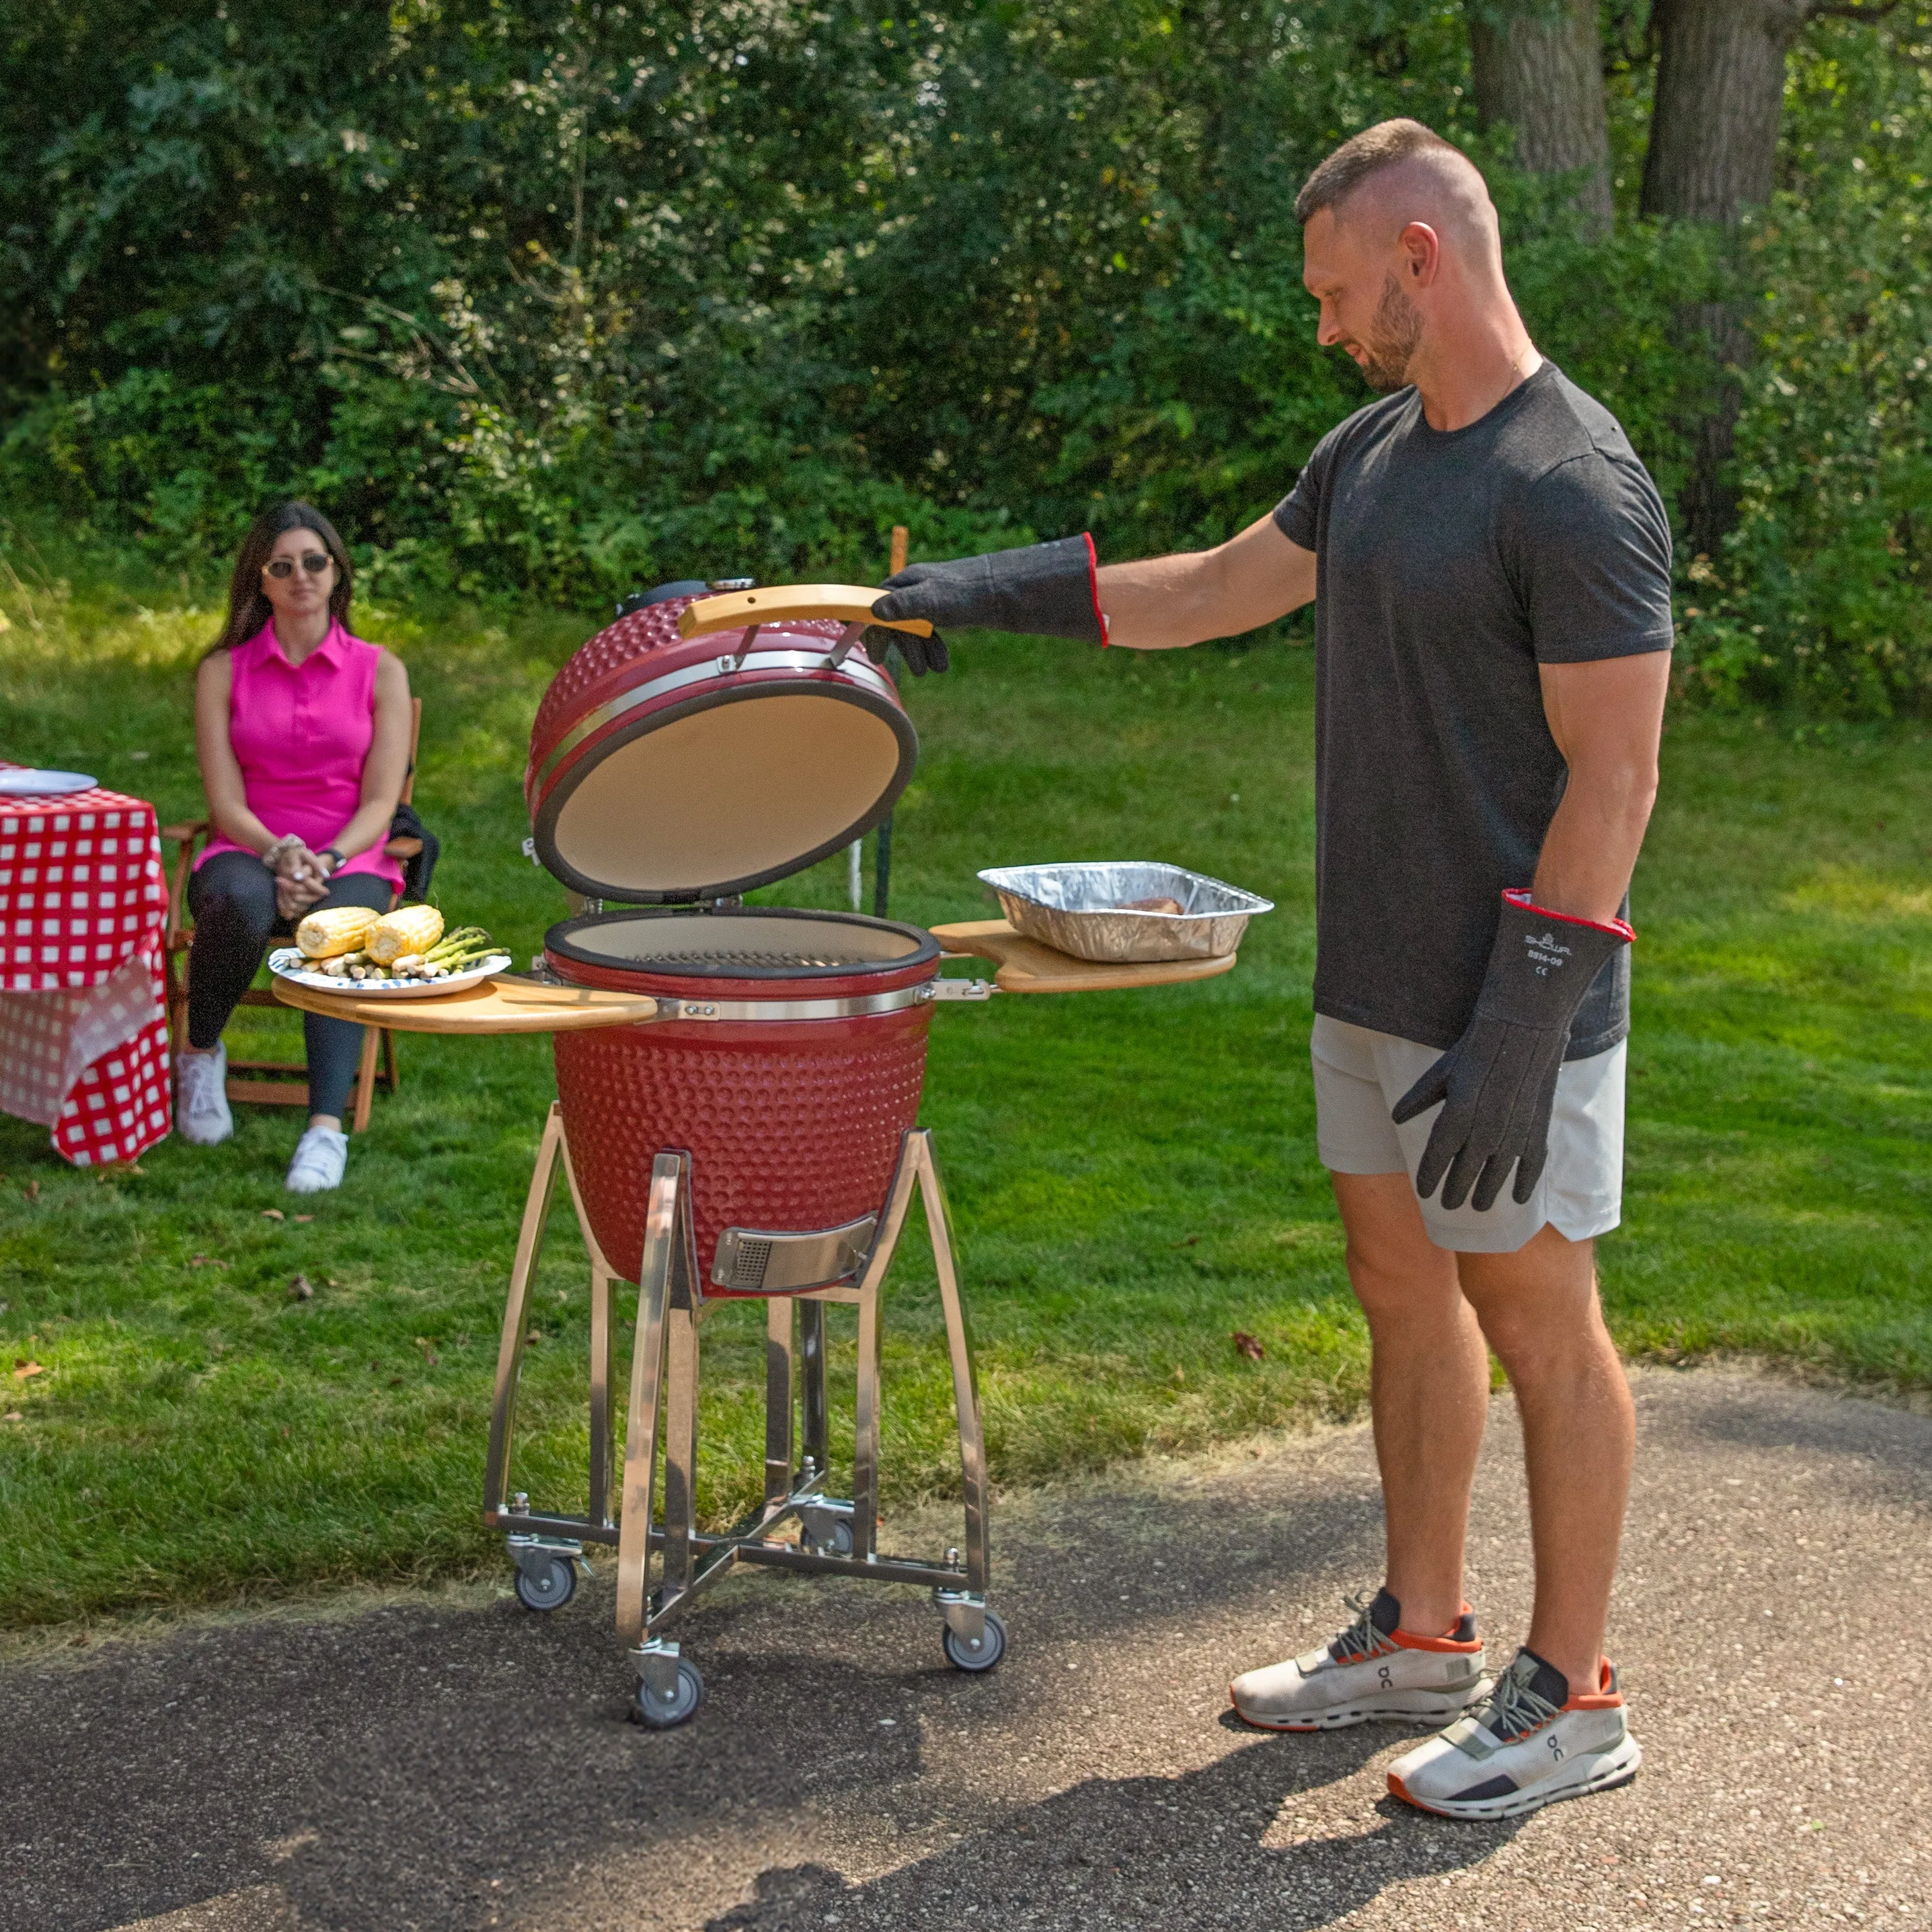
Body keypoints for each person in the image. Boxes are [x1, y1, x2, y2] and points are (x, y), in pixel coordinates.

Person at [870, 120, 1673, 1821]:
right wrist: (978, 596)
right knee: (1405, 1303)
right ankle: (1425, 1631)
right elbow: (1217, 589)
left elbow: (1618, 773)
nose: (1323, 326)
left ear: (1420, 257)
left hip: (1513, 1010)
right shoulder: (1372, 455)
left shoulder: (1574, 483)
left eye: (1334, 293)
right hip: (1375, 976)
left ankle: (1576, 1692)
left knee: (1541, 1324)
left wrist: (1525, 1023)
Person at [175, 502, 413, 1194]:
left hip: (353, 853)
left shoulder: (381, 670)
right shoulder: (224, 671)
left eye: (315, 562)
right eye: (283, 567)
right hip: (248, 845)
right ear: (263, 582)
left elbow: (381, 802)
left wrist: (329, 860)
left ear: (337, 574)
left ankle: (324, 1132)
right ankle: (200, 1054)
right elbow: (224, 803)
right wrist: (280, 854)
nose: (301, 576)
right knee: (237, 904)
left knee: (334, 929)